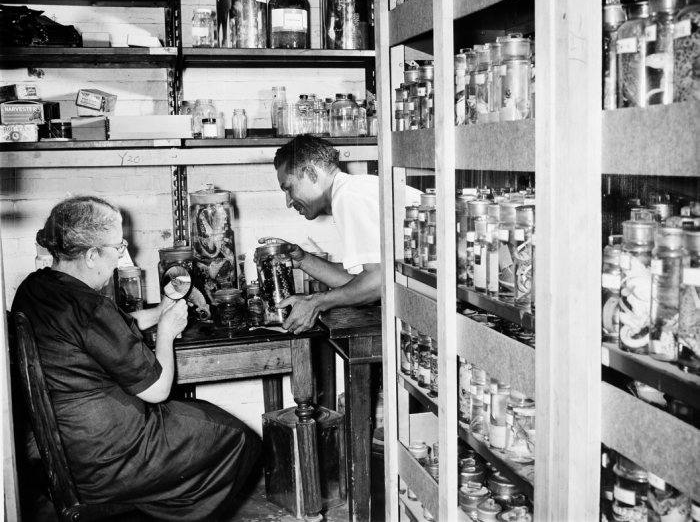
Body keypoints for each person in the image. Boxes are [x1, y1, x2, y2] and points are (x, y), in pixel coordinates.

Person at [12, 196, 260, 522]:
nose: (121, 258)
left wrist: (159, 313)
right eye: (117, 249)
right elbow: (157, 389)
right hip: (107, 459)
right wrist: (168, 333)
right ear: (90, 255)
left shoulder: (37, 286)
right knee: (238, 438)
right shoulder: (91, 308)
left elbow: (107, 329)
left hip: (64, 446)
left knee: (198, 420)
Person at [260, 134, 421, 334]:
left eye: (289, 189)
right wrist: (303, 260)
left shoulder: (347, 196)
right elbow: (358, 283)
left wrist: (317, 302)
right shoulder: (352, 190)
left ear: (311, 174)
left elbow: (379, 281)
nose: (288, 201)